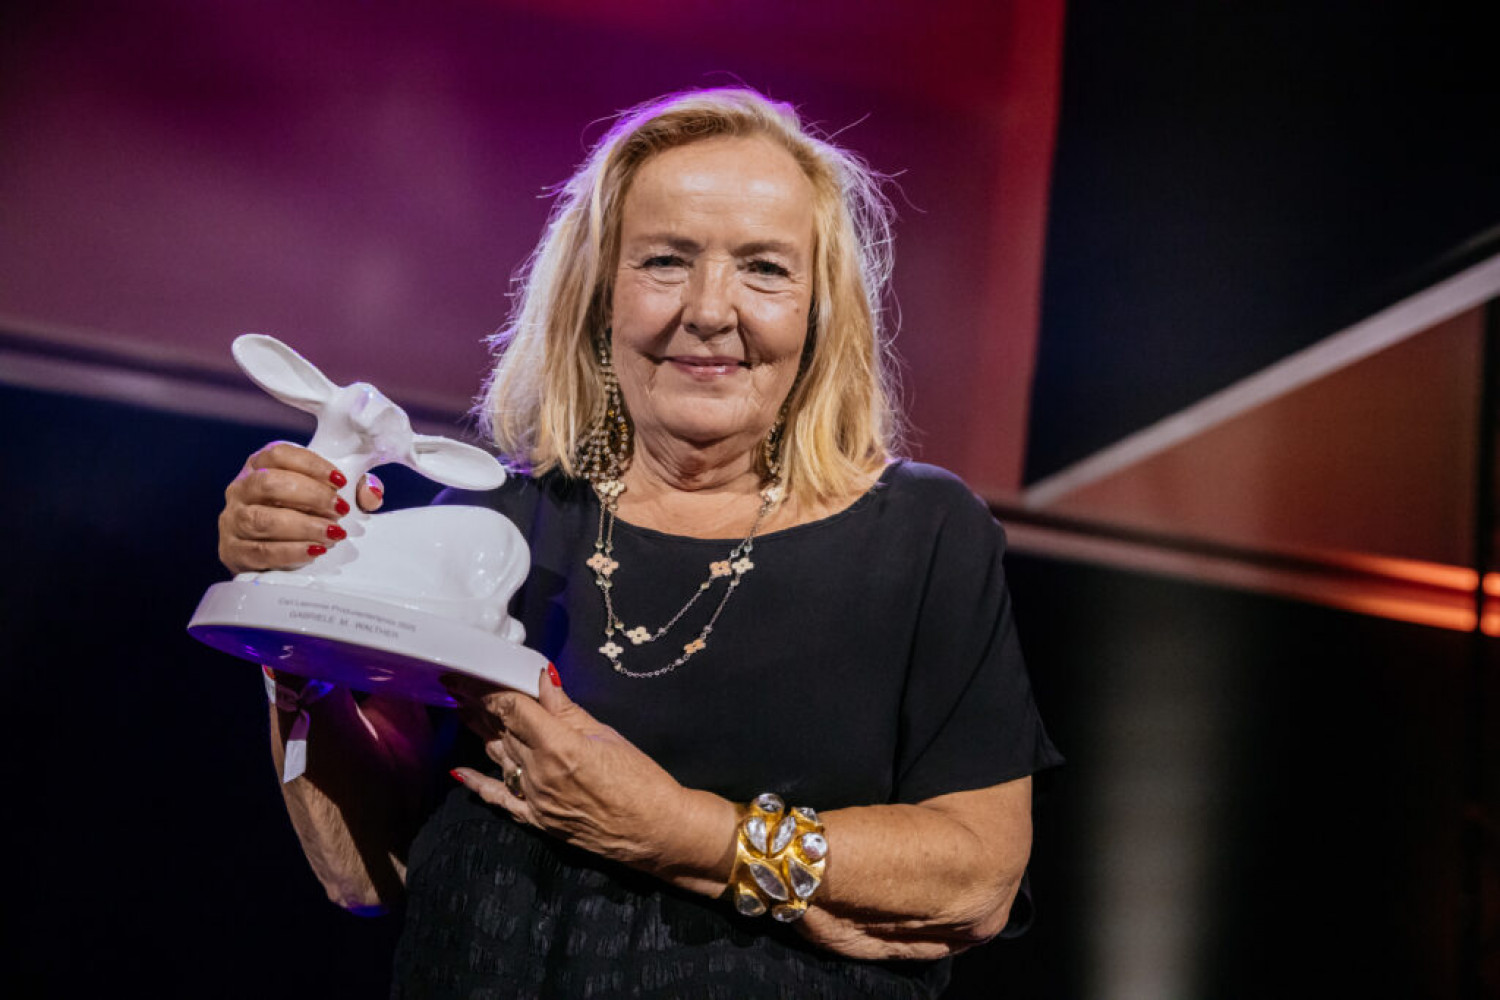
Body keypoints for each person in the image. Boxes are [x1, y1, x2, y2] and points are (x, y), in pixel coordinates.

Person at [218, 87, 1062, 998]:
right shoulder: (490, 520)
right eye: (665, 260)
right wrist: (296, 630)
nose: (709, 308)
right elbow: (363, 874)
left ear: (821, 313)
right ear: (598, 297)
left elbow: (978, 879)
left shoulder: (923, 535)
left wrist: (683, 831)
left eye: (765, 269)